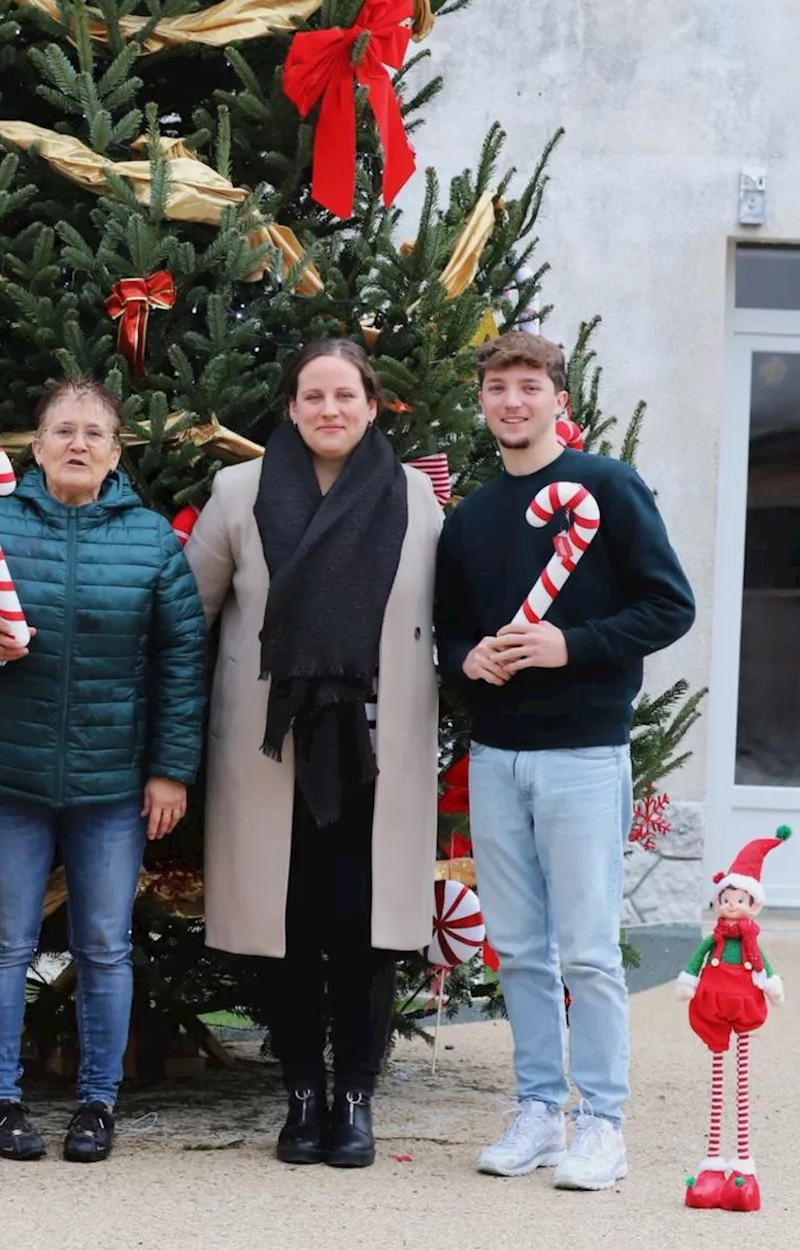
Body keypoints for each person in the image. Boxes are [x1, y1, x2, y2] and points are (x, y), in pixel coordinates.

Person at [0, 376, 206, 1164]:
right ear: (35, 445)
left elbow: (181, 659)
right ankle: (2, 1099)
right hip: (6, 774)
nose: (78, 443)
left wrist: (170, 769)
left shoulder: (149, 540)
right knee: (4, 942)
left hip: (112, 783)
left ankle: (97, 1103)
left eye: (95, 433)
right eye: (63, 430)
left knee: (105, 944)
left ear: (116, 451)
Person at [434, 332, 695, 1190]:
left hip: (584, 751)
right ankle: (540, 1108)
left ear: (557, 396)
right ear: (483, 402)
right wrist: (466, 660)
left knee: (586, 946)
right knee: (517, 947)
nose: (513, 401)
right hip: (498, 756)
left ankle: (602, 1122)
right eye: (498, 388)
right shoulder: (470, 519)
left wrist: (568, 644)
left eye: (529, 386)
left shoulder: (608, 489)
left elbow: (670, 604)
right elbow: (450, 633)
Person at [184, 339, 442, 1168]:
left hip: (376, 750)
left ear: (372, 404)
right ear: (291, 407)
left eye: (345, 395)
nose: (330, 409)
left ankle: (356, 1097)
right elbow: (191, 617)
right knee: (286, 928)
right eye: (312, 396)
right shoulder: (239, 491)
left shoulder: (415, 497)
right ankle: (301, 1095)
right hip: (271, 750)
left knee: (367, 931)